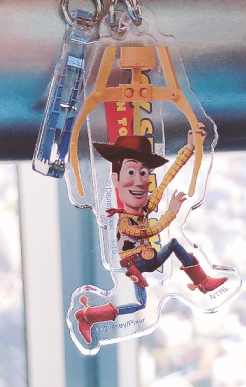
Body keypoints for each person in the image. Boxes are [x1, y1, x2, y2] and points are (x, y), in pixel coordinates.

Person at [74, 129, 227, 343]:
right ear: (115, 180)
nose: (139, 181)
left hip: (149, 260)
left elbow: (166, 180)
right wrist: (171, 212)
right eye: (131, 173)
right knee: (140, 303)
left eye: (144, 173)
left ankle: (203, 282)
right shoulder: (125, 222)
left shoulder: (143, 210)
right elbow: (149, 231)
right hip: (137, 265)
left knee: (173, 247)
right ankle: (88, 316)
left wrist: (190, 147)